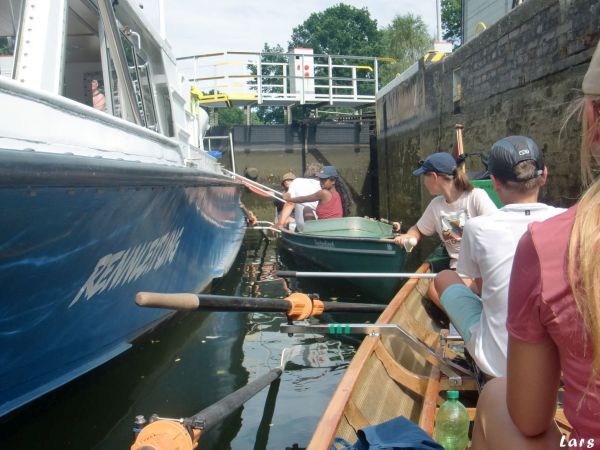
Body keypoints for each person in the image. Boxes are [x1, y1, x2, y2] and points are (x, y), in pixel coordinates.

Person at [470, 42, 600, 449]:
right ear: (544, 176)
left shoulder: (551, 243)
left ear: (592, 120)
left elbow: (528, 420)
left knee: (495, 394)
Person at [433, 136, 565, 378]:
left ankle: (475, 353)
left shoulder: (478, 227)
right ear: (544, 175)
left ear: (494, 182)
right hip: (560, 358)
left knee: (443, 278)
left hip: (498, 362)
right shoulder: (570, 221)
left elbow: (483, 292)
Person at [393, 151, 497, 303]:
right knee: (433, 290)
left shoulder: (476, 197)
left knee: (443, 289)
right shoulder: (436, 205)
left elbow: (497, 231)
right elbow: (418, 229)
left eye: (425, 177)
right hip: (459, 272)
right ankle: (468, 320)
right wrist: (410, 236)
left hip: (484, 269)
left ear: (434, 177)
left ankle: (470, 309)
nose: (424, 182)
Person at [282, 165, 353, 221]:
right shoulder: (338, 193)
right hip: (332, 226)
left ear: (333, 181)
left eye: (324, 180)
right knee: (308, 209)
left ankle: (309, 233)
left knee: (307, 209)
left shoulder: (324, 193)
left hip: (325, 228)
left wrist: (289, 199)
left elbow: (303, 199)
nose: (321, 182)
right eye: (320, 179)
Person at [275, 163, 322, 232]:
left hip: (303, 228)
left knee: (288, 221)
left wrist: (279, 224)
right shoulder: (325, 185)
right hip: (322, 226)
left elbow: (290, 203)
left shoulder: (297, 181)